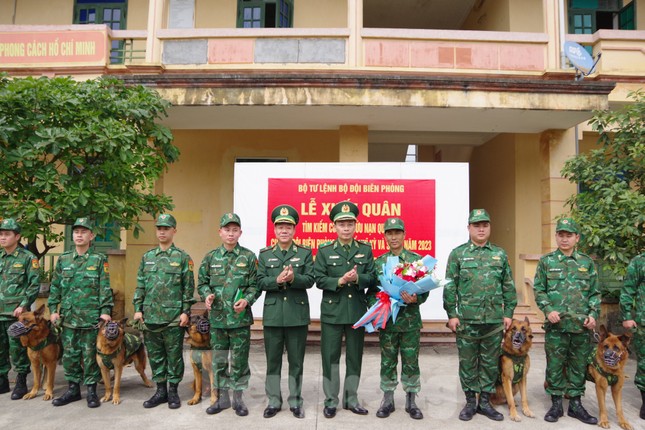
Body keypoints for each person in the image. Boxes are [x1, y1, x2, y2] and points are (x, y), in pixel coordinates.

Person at [443, 209, 516, 422]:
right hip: (466, 320)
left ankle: (485, 402)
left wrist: (508, 312)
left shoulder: (500, 254)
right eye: (476, 225)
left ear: (489, 227)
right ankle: (469, 402)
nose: (481, 229)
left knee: (490, 363)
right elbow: (450, 287)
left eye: (484, 224)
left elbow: (508, 286)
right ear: (469, 228)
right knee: (467, 362)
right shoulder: (458, 254)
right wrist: (452, 314)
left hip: (493, 320)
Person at [314, 201, 377, 418]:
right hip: (332, 312)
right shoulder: (325, 250)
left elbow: (373, 277)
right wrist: (340, 280)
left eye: (350, 223)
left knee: (354, 357)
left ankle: (351, 399)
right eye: (342, 224)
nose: (346, 227)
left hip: (356, 312)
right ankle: (331, 400)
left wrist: (358, 278)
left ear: (355, 225)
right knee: (330, 357)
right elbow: (319, 279)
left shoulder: (365, 249)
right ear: (334, 226)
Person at [533, 217, 600, 425]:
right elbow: (539, 289)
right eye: (560, 235)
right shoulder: (547, 262)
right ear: (556, 237)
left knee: (578, 366)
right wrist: (548, 309)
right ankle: (555, 404)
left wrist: (593, 314)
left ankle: (576, 404)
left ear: (577, 238)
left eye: (568, 235)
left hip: (581, 327)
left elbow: (595, 293)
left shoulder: (587, 263)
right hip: (557, 326)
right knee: (554, 365)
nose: (564, 239)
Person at [198, 213, 259, 417]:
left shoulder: (249, 257)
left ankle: (238, 399)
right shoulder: (210, 257)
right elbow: (202, 283)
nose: (230, 233)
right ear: (220, 232)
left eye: (234, 230)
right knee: (220, 359)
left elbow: (255, 286)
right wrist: (206, 295)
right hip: (217, 319)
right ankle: (222, 398)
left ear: (240, 232)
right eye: (227, 229)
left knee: (240, 360)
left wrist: (247, 300)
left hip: (240, 320)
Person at [49, 217, 113, 408]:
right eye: (76, 231)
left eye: (83, 232)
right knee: (70, 355)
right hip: (68, 318)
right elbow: (55, 287)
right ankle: (73, 389)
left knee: (90, 354)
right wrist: (53, 310)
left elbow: (104, 287)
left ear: (91, 236)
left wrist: (105, 311)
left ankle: (92, 391)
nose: (79, 235)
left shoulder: (99, 260)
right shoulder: (64, 259)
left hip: (91, 318)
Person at [133, 214, 195, 409]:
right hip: (150, 316)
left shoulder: (183, 258)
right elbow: (141, 285)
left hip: (173, 317)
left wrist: (186, 311)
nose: (162, 231)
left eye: (166, 228)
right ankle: (160, 391)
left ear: (174, 231)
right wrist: (138, 309)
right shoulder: (147, 257)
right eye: (159, 228)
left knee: (174, 355)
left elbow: (188, 287)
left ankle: (174, 391)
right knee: (156, 355)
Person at [258, 205, 314, 419]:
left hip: (296, 315)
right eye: (280, 226)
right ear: (274, 229)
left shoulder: (304, 253)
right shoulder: (264, 254)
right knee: (272, 361)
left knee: (296, 361)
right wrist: (277, 281)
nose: (284, 230)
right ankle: (273, 400)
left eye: (288, 227)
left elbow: (311, 280)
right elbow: (260, 281)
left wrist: (293, 279)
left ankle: (296, 401)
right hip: (273, 316)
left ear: (294, 230)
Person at [374, 217, 426, 420]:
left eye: (397, 232)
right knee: (387, 361)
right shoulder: (379, 262)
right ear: (385, 236)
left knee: (411, 361)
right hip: (388, 321)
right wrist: (380, 301)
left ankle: (411, 400)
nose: (393, 236)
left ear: (404, 234)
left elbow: (425, 289)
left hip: (410, 321)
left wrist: (416, 298)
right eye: (390, 233)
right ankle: (387, 399)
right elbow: (371, 290)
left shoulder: (416, 261)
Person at [0, 218, 40, 399]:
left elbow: (33, 285)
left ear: (17, 236)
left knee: (17, 348)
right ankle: (2, 380)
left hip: (15, 314)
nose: (3, 238)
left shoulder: (28, 258)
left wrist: (23, 305)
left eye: (7, 234)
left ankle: (22, 380)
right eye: (1, 234)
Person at [620, 253, 644, 420]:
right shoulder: (639, 261)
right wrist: (627, 315)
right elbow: (628, 289)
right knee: (644, 362)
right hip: (644, 322)